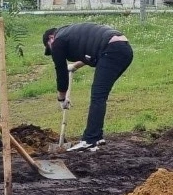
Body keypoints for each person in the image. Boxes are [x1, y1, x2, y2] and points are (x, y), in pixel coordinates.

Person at [43, 22, 133, 151]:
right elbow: (90, 49)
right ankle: (97, 137)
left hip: (112, 50)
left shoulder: (58, 41)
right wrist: (75, 66)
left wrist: (61, 98)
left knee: (98, 96)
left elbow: (60, 72)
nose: (52, 51)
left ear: (51, 38)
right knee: (100, 95)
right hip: (124, 49)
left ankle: (89, 140)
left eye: (49, 48)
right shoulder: (71, 32)